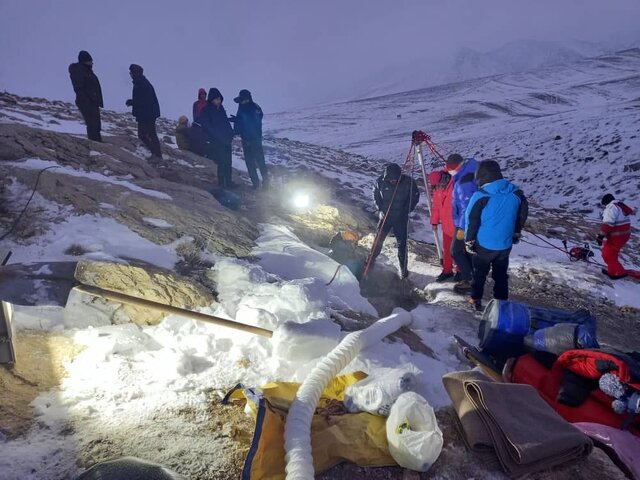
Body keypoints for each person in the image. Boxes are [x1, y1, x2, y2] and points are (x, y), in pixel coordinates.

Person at [464, 160, 528, 311]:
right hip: (505, 243)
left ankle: (475, 299)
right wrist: (516, 231)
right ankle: (501, 303)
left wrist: (469, 240)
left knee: (479, 273)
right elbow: (522, 215)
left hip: (484, 244)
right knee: (501, 274)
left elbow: (471, 220)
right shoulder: (516, 193)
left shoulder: (480, 195)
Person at [370, 163, 420, 278]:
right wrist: (380, 208)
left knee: (402, 244)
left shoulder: (409, 181)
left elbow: (415, 196)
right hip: (385, 217)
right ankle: (370, 262)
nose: (393, 181)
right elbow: (376, 194)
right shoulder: (380, 181)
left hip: (400, 217)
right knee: (378, 240)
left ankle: (403, 269)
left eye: (395, 179)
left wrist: (407, 208)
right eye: (390, 179)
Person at [446, 153, 478, 294]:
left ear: (458, 166)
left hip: (465, 223)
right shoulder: (468, 173)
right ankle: (474, 279)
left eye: (450, 168)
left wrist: (463, 228)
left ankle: (468, 280)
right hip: (470, 222)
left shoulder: (465, 181)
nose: (449, 171)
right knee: (469, 251)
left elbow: (467, 207)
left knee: (456, 250)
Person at [231, 89, 268, 189]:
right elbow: (247, 121)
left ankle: (263, 184)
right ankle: (257, 184)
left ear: (246, 98)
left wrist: (238, 120)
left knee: (256, 162)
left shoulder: (251, 108)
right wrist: (237, 120)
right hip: (251, 139)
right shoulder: (253, 107)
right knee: (254, 162)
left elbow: (252, 122)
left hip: (252, 139)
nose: (242, 102)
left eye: (242, 100)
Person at [125, 64, 162, 159]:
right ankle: (155, 153)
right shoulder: (139, 82)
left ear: (135, 73)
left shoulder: (143, 84)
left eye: (131, 72)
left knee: (148, 134)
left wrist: (132, 102)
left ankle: (157, 155)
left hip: (148, 114)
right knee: (145, 134)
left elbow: (145, 101)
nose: (130, 74)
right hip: (146, 113)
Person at [200, 88, 234, 188]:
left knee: (228, 162)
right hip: (217, 141)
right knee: (222, 162)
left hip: (226, 140)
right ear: (211, 99)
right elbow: (206, 126)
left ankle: (229, 182)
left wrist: (230, 133)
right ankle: (221, 184)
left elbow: (226, 123)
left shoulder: (221, 109)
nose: (218, 101)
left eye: (219, 99)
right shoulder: (206, 110)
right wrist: (216, 137)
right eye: (216, 99)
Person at [428, 169, 457, 282]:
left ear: (442, 179)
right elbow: (436, 207)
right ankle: (447, 271)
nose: (438, 186)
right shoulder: (437, 190)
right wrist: (434, 222)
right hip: (446, 226)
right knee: (447, 250)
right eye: (435, 185)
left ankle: (460, 271)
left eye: (439, 184)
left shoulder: (454, 186)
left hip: (457, 225)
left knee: (458, 251)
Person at [68, 50, 103, 142]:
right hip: (86, 101)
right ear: (85, 61)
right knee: (92, 123)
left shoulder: (87, 71)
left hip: (92, 101)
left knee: (96, 124)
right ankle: (95, 142)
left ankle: (97, 141)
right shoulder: (79, 71)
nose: (92, 62)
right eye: (90, 61)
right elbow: (79, 87)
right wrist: (87, 99)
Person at [597, 194, 633, 280]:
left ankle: (618, 273)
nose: (604, 207)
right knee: (611, 253)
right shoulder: (620, 205)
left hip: (617, 237)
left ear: (606, 203)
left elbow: (607, 224)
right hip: (624, 235)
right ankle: (613, 270)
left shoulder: (611, 208)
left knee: (607, 254)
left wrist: (601, 236)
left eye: (604, 205)